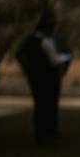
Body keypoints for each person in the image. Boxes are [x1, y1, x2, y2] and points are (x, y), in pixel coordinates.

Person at [15, 9, 71, 146]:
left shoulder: (54, 38)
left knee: (49, 104)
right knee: (42, 104)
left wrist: (63, 69)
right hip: (40, 76)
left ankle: (49, 131)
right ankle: (42, 133)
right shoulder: (36, 39)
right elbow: (20, 54)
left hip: (50, 76)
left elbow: (66, 54)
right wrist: (28, 69)